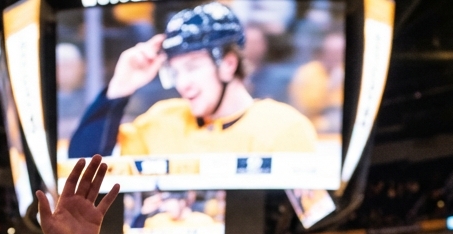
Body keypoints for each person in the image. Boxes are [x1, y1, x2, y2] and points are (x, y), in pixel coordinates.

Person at [68, 3, 318, 159]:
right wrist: (119, 89)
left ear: (228, 64)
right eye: (176, 71)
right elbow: (81, 168)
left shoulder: (285, 127)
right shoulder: (161, 121)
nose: (182, 83)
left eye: (193, 67)